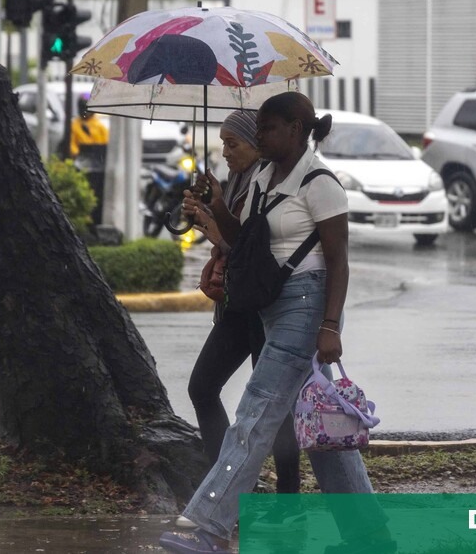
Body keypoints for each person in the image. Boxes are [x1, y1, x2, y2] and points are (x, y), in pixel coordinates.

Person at [160, 92, 392, 554]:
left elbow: (339, 261)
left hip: (308, 304)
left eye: (268, 128)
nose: (260, 136)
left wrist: (330, 326)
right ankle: (369, 537)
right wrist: (217, 203)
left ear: (295, 129)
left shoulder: (320, 183)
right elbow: (244, 238)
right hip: (272, 305)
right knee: (323, 428)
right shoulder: (264, 178)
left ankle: (209, 527)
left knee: (256, 413)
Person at [181, 110, 302, 528]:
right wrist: (202, 213)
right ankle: (226, 493)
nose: (226, 152)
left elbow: (253, 249)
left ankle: (288, 503)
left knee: (274, 406)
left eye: (233, 143)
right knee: (203, 387)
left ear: (255, 143)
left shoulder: (266, 182)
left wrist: (215, 225)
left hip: (264, 306)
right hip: (236, 306)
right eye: (222, 143)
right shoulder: (234, 182)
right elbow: (229, 241)